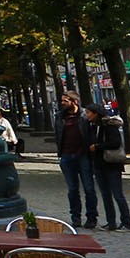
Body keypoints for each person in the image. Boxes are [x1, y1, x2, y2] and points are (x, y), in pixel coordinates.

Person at [56, 94, 100, 229]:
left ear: (74, 101)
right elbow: (57, 134)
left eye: (65, 100)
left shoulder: (84, 116)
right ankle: (75, 217)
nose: (62, 102)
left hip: (83, 156)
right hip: (67, 156)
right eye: (62, 100)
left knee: (89, 188)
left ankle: (91, 217)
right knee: (72, 189)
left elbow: (92, 133)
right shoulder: (60, 116)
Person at [90, 104, 130, 230]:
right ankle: (111, 221)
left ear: (96, 113)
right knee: (105, 195)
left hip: (112, 165)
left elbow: (115, 143)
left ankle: (125, 222)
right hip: (99, 164)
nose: (87, 116)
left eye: (89, 113)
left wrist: (97, 146)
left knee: (117, 194)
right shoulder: (94, 127)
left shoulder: (108, 126)